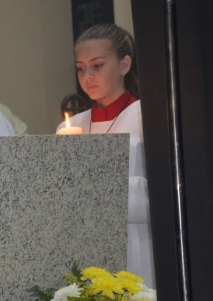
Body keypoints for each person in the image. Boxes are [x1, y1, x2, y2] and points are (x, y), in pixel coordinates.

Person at [59, 23, 154, 287]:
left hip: (137, 243)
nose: (87, 75)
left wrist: (102, 188)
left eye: (97, 65)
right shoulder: (70, 127)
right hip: (86, 246)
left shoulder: (147, 118)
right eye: (80, 68)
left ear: (124, 65)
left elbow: (164, 192)